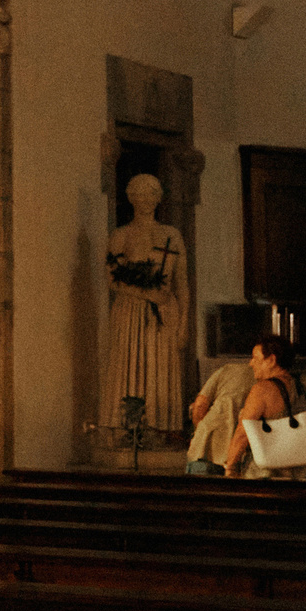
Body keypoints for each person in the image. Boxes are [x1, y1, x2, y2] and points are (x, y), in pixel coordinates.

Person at [98, 174, 187, 435]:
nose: (147, 199)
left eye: (152, 193)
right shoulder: (121, 235)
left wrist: (184, 324)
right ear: (131, 198)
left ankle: (159, 431)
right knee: (130, 367)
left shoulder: (172, 235)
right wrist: (148, 295)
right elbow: (113, 280)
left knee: (159, 371)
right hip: (130, 312)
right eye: (141, 193)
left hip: (165, 314)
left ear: (159, 198)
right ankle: (127, 431)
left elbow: (182, 283)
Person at [221, 333, 305, 481]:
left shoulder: (262, 390)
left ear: (271, 360)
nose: (251, 363)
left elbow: (243, 433)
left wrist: (231, 467)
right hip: (299, 474)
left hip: (264, 476)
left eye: (255, 358)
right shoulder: (304, 390)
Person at [184, 359, 254, 475]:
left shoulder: (226, 370)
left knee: (197, 482)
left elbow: (200, 405)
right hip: (239, 448)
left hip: (206, 439)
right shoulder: (267, 381)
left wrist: (199, 429)